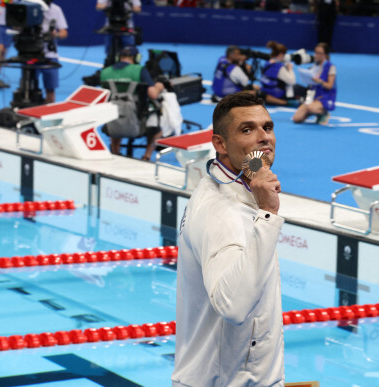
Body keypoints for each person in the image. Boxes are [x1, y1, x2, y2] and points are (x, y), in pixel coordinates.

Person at [172, 91, 285, 386]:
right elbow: (234, 306)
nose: (264, 138)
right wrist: (269, 215)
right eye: (247, 129)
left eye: (267, 127)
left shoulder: (237, 189)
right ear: (220, 144)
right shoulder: (221, 213)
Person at [100, 45, 165, 160]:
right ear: (136, 58)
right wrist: (159, 86)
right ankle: (146, 156)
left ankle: (115, 151)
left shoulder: (105, 72)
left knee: (115, 113)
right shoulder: (140, 70)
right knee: (158, 131)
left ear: (118, 57)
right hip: (137, 122)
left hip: (112, 123)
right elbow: (153, 94)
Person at [292, 42, 336, 125]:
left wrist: (320, 81)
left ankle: (324, 113)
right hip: (312, 95)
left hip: (324, 97)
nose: (317, 55)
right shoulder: (314, 66)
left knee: (310, 107)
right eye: (316, 52)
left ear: (325, 54)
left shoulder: (330, 67)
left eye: (320, 53)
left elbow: (330, 86)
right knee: (296, 119)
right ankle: (312, 110)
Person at [36, 0, 68, 104]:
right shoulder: (31, 6)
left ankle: (48, 110)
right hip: (31, 54)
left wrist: (55, 35)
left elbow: (64, 33)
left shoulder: (56, 9)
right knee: (30, 87)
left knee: (50, 90)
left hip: (50, 55)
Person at [259, 40, 306, 107]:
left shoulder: (268, 63)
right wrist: (290, 69)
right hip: (278, 94)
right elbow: (292, 81)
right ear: (281, 54)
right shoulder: (279, 68)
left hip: (267, 90)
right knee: (301, 89)